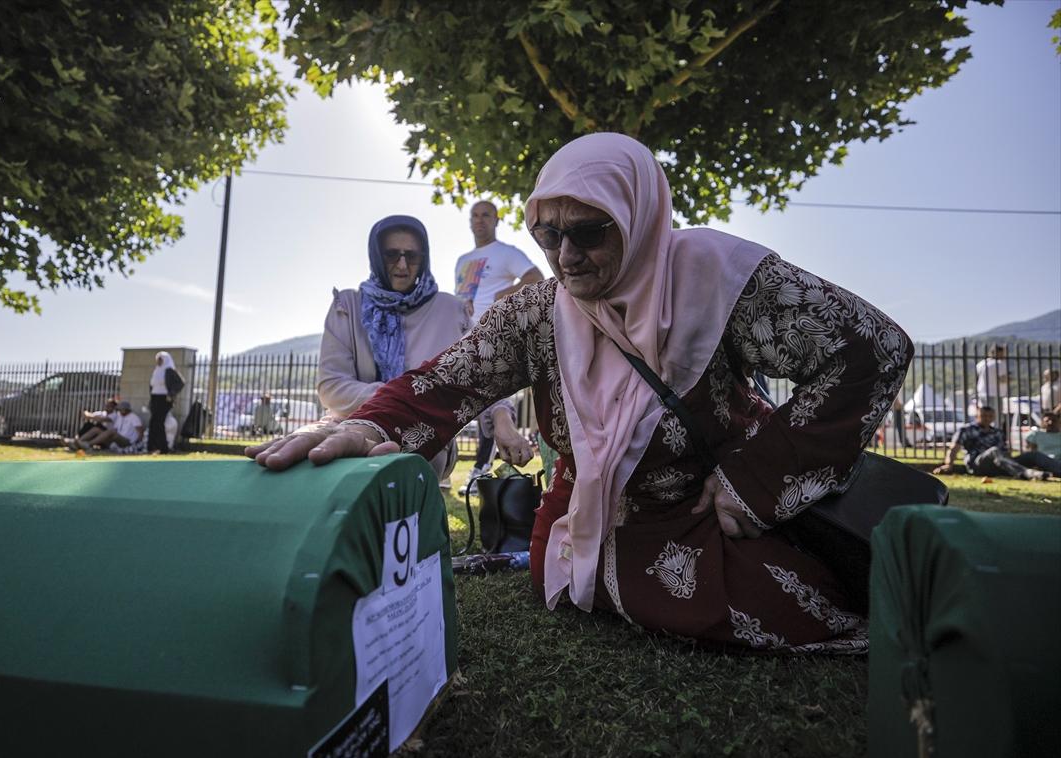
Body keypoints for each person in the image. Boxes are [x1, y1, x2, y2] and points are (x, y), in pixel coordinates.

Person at [248, 133, 914, 653]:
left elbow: (871, 348)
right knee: (564, 574)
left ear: (640, 216)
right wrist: (369, 425)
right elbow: (447, 381)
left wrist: (759, 478)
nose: (566, 256)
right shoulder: (536, 313)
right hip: (586, 518)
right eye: (548, 233)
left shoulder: (719, 279)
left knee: (788, 603)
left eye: (590, 231)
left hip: (713, 512)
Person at [317, 214, 532, 487]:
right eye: (392, 255)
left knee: (401, 467)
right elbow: (331, 386)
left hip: (425, 433)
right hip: (348, 424)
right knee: (309, 452)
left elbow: (482, 375)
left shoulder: (450, 310)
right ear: (375, 256)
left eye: (413, 256)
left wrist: (503, 421)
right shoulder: (347, 305)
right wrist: (402, 400)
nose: (403, 266)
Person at [454, 201, 545, 491]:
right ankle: (465, 467)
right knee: (468, 402)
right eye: (474, 216)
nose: (479, 221)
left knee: (489, 400)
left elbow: (535, 277)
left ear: (496, 220)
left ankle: (480, 470)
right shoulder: (462, 260)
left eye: (486, 216)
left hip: (494, 337)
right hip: (463, 339)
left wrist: (503, 294)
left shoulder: (506, 253)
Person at [933, 406, 1050, 480]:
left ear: (993, 417)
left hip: (1001, 463)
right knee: (994, 451)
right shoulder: (966, 430)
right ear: (977, 416)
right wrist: (949, 464)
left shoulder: (998, 432)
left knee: (1033, 455)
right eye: (983, 416)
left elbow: (1005, 451)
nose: (987, 418)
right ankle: (1027, 474)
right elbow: (954, 448)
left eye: (990, 416)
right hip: (978, 464)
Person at [147, 351, 185, 454]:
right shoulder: (156, 371)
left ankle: (163, 448)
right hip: (155, 398)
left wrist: (171, 394)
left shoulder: (169, 370)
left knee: (159, 422)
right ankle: (151, 447)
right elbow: (152, 386)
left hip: (164, 399)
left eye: (160, 359)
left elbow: (180, 383)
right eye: (157, 359)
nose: (158, 361)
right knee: (153, 423)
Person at [77, 400, 144, 452]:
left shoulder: (134, 418)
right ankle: (79, 442)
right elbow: (116, 428)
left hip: (127, 441)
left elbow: (140, 431)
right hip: (116, 439)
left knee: (111, 432)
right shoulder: (120, 416)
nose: (119, 410)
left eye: (121, 409)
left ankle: (88, 444)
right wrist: (104, 435)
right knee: (97, 429)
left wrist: (137, 443)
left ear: (126, 409)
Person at [974, 344, 1008, 426]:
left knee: (984, 415)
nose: (1004, 355)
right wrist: (1009, 379)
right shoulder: (999, 363)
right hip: (995, 393)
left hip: (982, 393)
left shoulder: (981, 364)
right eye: (1003, 353)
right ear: (998, 353)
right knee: (996, 417)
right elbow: (1002, 379)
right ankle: (995, 433)